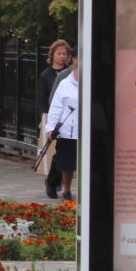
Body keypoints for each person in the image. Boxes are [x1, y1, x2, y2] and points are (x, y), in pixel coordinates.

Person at [38, 39, 72, 198]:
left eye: (64, 54)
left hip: (69, 118)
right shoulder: (46, 75)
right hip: (53, 117)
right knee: (59, 152)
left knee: (64, 152)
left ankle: (56, 181)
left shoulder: (72, 73)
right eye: (59, 53)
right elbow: (43, 98)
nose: (62, 57)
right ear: (52, 55)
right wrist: (44, 119)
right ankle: (52, 180)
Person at [43, 58, 81, 202]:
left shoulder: (90, 82)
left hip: (84, 130)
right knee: (67, 163)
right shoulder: (64, 84)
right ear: (74, 69)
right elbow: (56, 107)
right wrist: (51, 127)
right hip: (68, 130)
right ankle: (67, 189)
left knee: (79, 160)